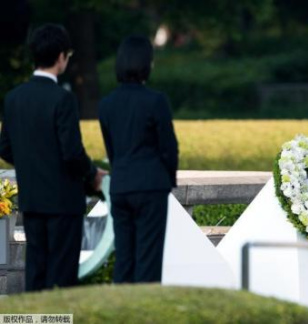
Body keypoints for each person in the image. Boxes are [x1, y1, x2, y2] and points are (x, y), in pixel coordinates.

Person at [0, 23, 106, 291]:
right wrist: (93, 174)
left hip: (32, 201)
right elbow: (71, 153)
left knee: (36, 272)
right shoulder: (63, 99)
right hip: (63, 202)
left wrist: (31, 162)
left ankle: (35, 321)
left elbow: (4, 147)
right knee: (61, 277)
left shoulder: (13, 98)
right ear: (61, 56)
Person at [98, 35, 178, 283]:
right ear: (147, 64)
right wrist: (168, 178)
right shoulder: (156, 101)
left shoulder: (106, 104)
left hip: (121, 186)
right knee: (148, 258)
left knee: (124, 257)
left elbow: (112, 151)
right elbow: (168, 148)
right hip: (151, 185)